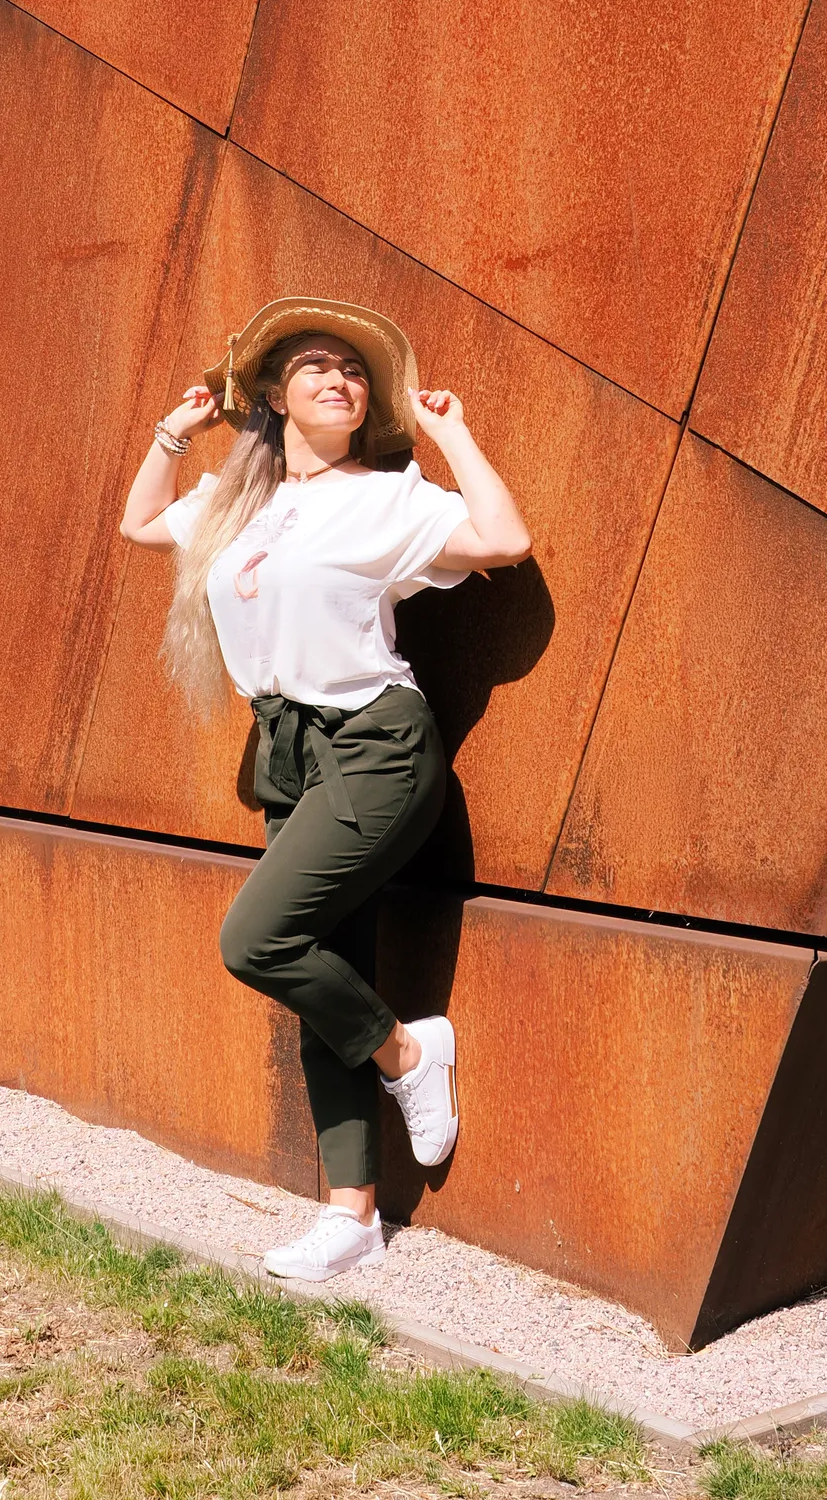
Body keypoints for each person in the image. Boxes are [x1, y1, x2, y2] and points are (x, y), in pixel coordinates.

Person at [119, 296, 531, 1281]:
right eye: (314, 366)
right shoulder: (233, 501)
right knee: (320, 977)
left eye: (353, 370)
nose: (340, 379)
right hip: (290, 758)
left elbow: (503, 541)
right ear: (271, 393)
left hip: (377, 749)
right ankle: (351, 1218)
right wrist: (176, 432)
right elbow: (138, 525)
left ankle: (410, 1056)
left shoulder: (387, 497)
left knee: (257, 940)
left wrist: (453, 434)